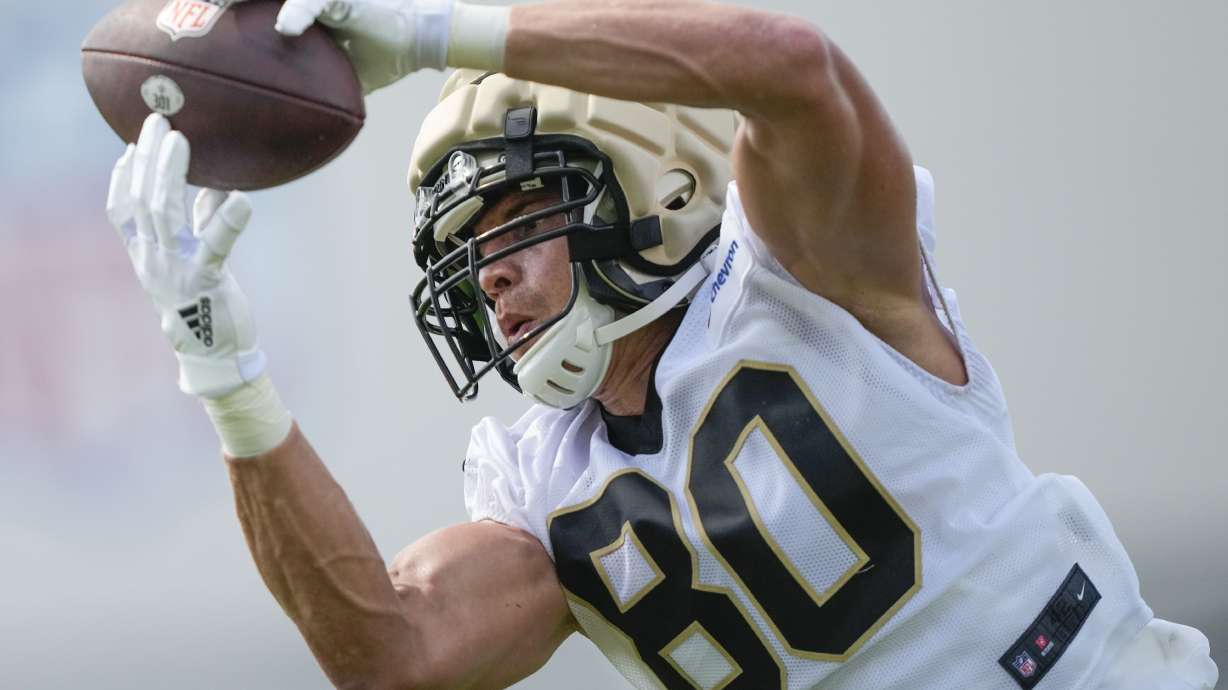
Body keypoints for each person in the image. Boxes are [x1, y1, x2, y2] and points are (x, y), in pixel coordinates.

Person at [105, 0, 1219, 688]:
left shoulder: (810, 276)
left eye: (514, 217)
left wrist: (442, 29)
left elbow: (788, 65)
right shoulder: (540, 479)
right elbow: (391, 653)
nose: (485, 272)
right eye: (462, 241)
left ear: (649, 182)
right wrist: (226, 377)